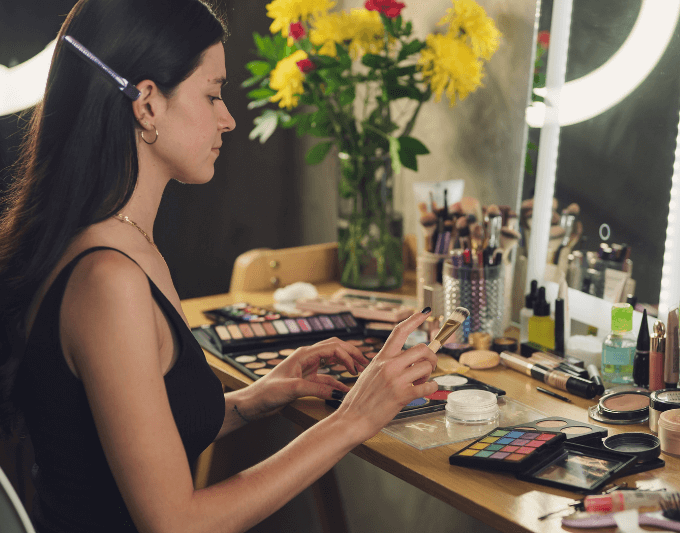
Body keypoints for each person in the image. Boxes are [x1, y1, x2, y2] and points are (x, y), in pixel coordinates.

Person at [0, 1, 438, 532]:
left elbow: (127, 435)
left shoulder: (122, 244)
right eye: (212, 94)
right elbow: (177, 523)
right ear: (146, 104)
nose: (228, 117)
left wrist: (255, 399)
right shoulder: (107, 281)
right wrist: (354, 420)